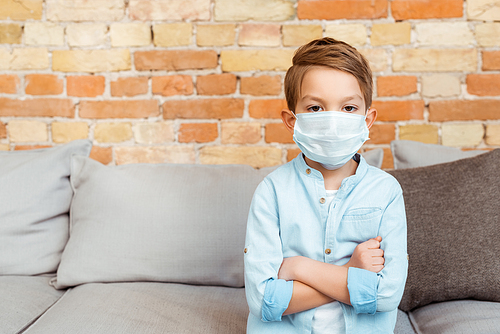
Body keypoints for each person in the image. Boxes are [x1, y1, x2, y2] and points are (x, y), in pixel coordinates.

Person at [244, 37, 408, 334]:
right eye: (316, 108)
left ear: (367, 120)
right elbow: (263, 300)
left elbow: (386, 295)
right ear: (292, 121)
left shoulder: (386, 191)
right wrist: (350, 273)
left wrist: (298, 268)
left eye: (348, 108)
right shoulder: (272, 191)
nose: (332, 121)